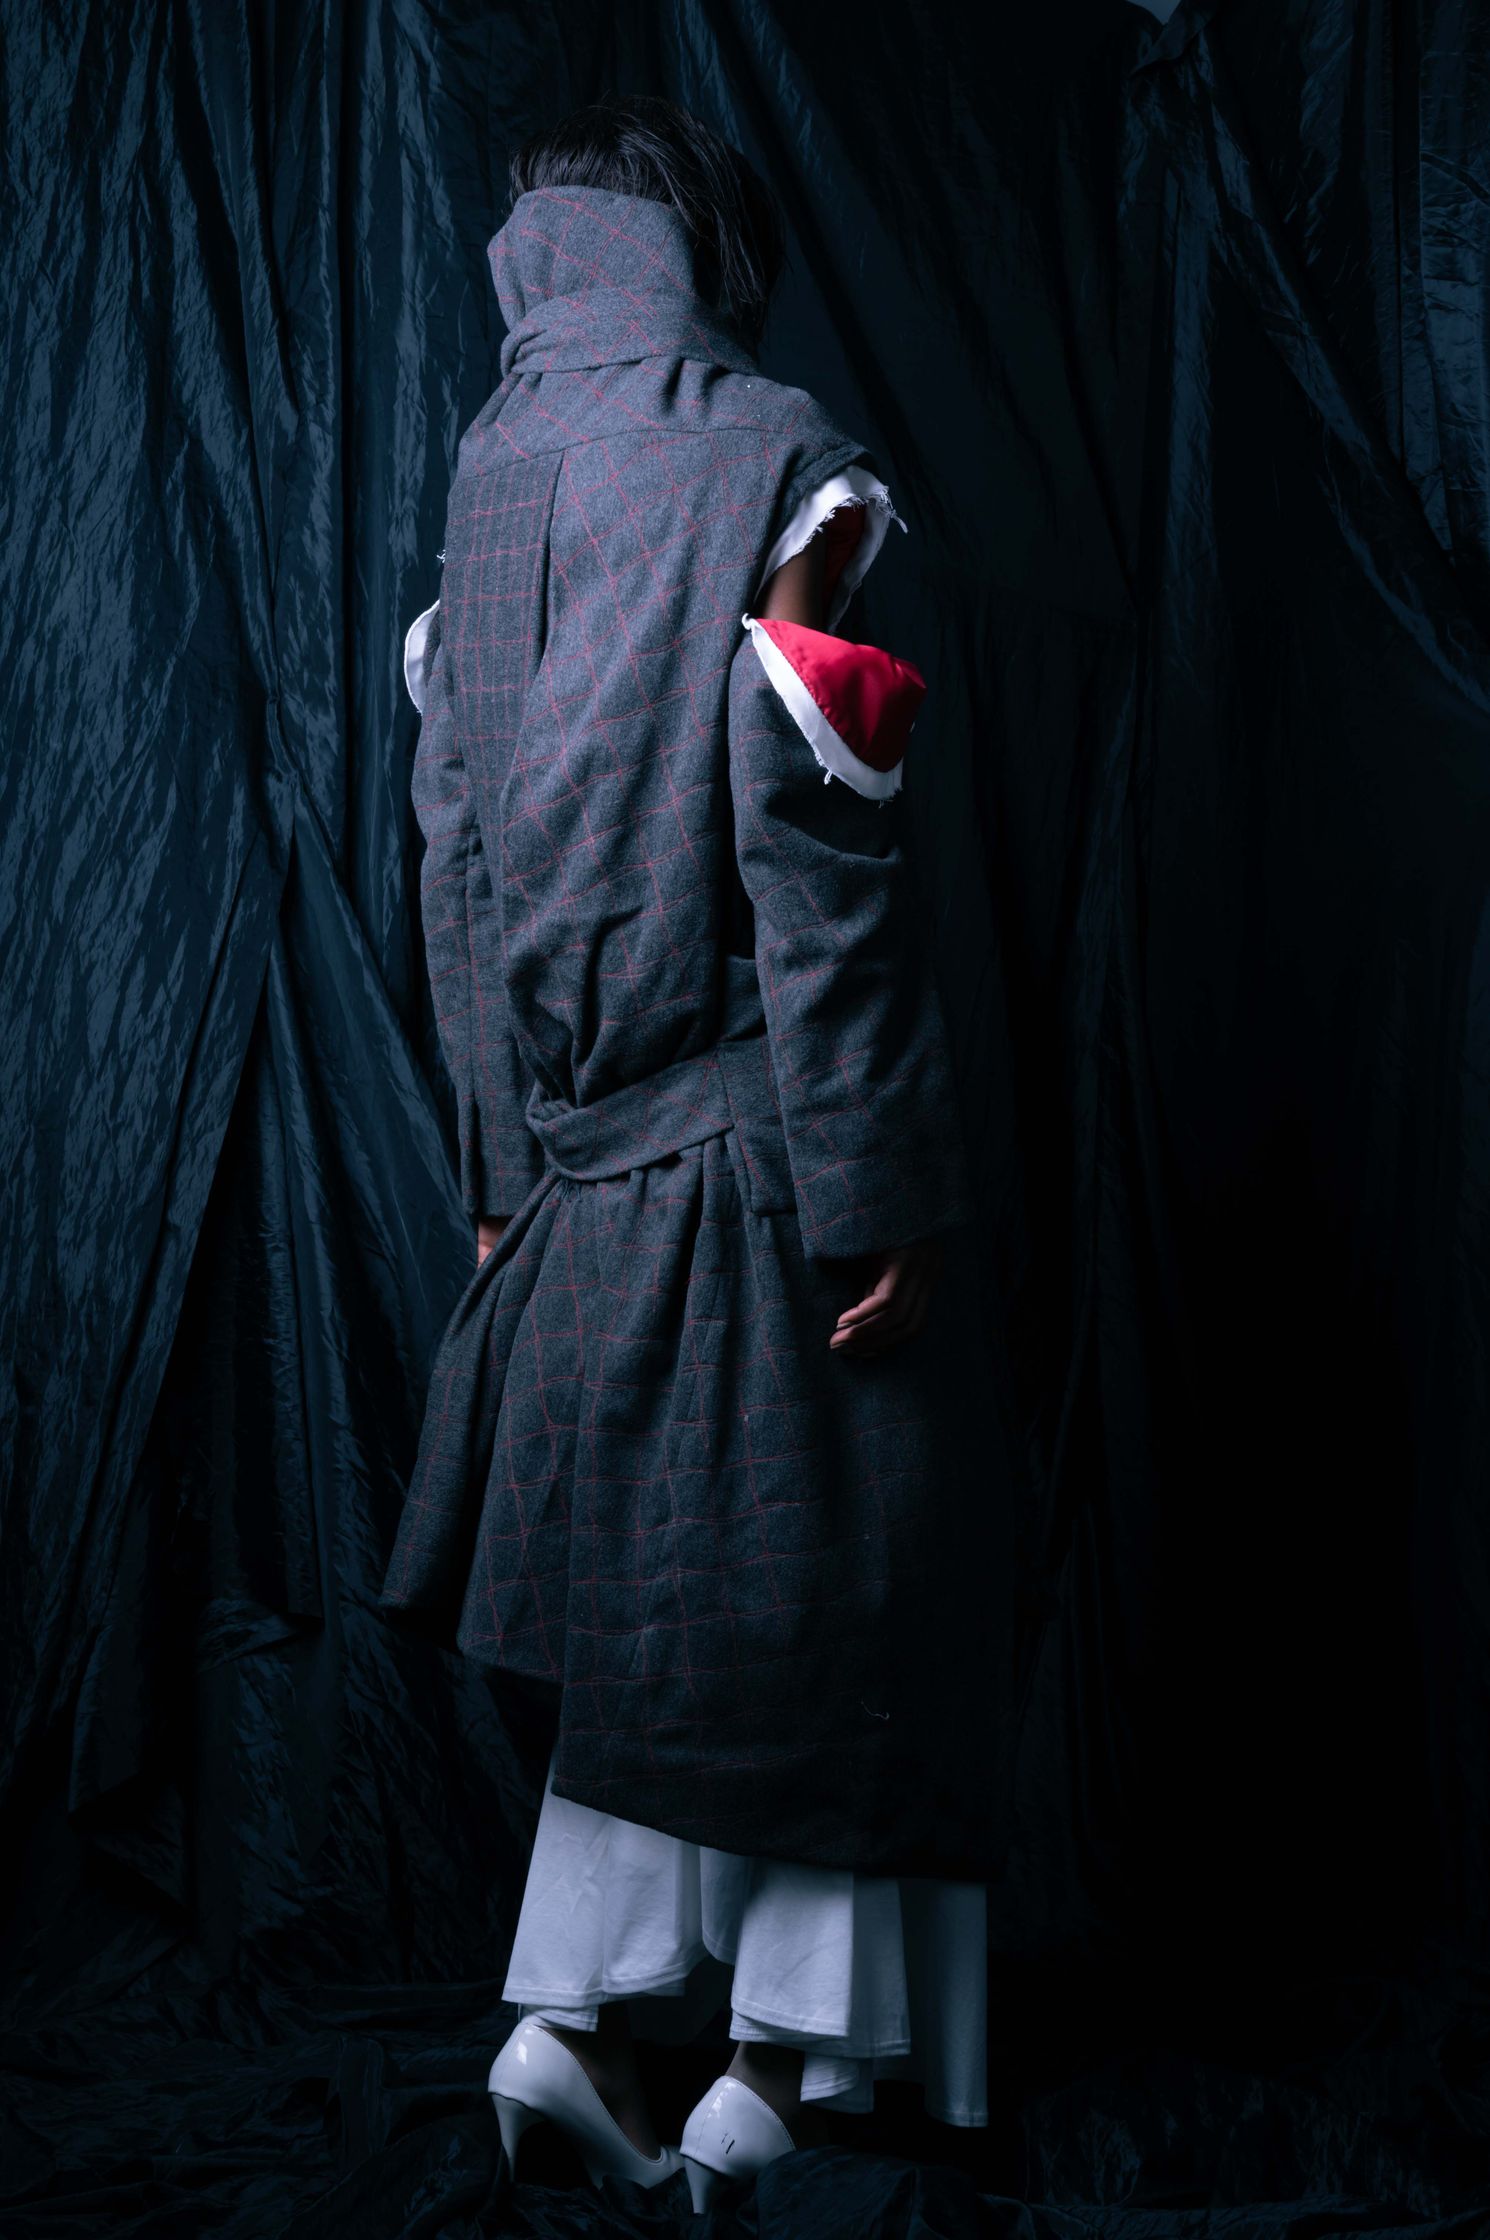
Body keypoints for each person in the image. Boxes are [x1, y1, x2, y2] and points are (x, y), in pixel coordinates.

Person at [378, 92, 1019, 2210]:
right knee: (836, 1606)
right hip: (764, 1136)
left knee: (667, 1616)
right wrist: (877, 1178)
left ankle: (563, 2028)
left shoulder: (484, 484)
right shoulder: (770, 454)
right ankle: (768, 2081)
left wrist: (500, 1171)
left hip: (578, 1161)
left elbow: (455, 863)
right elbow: (803, 831)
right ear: (698, 244)